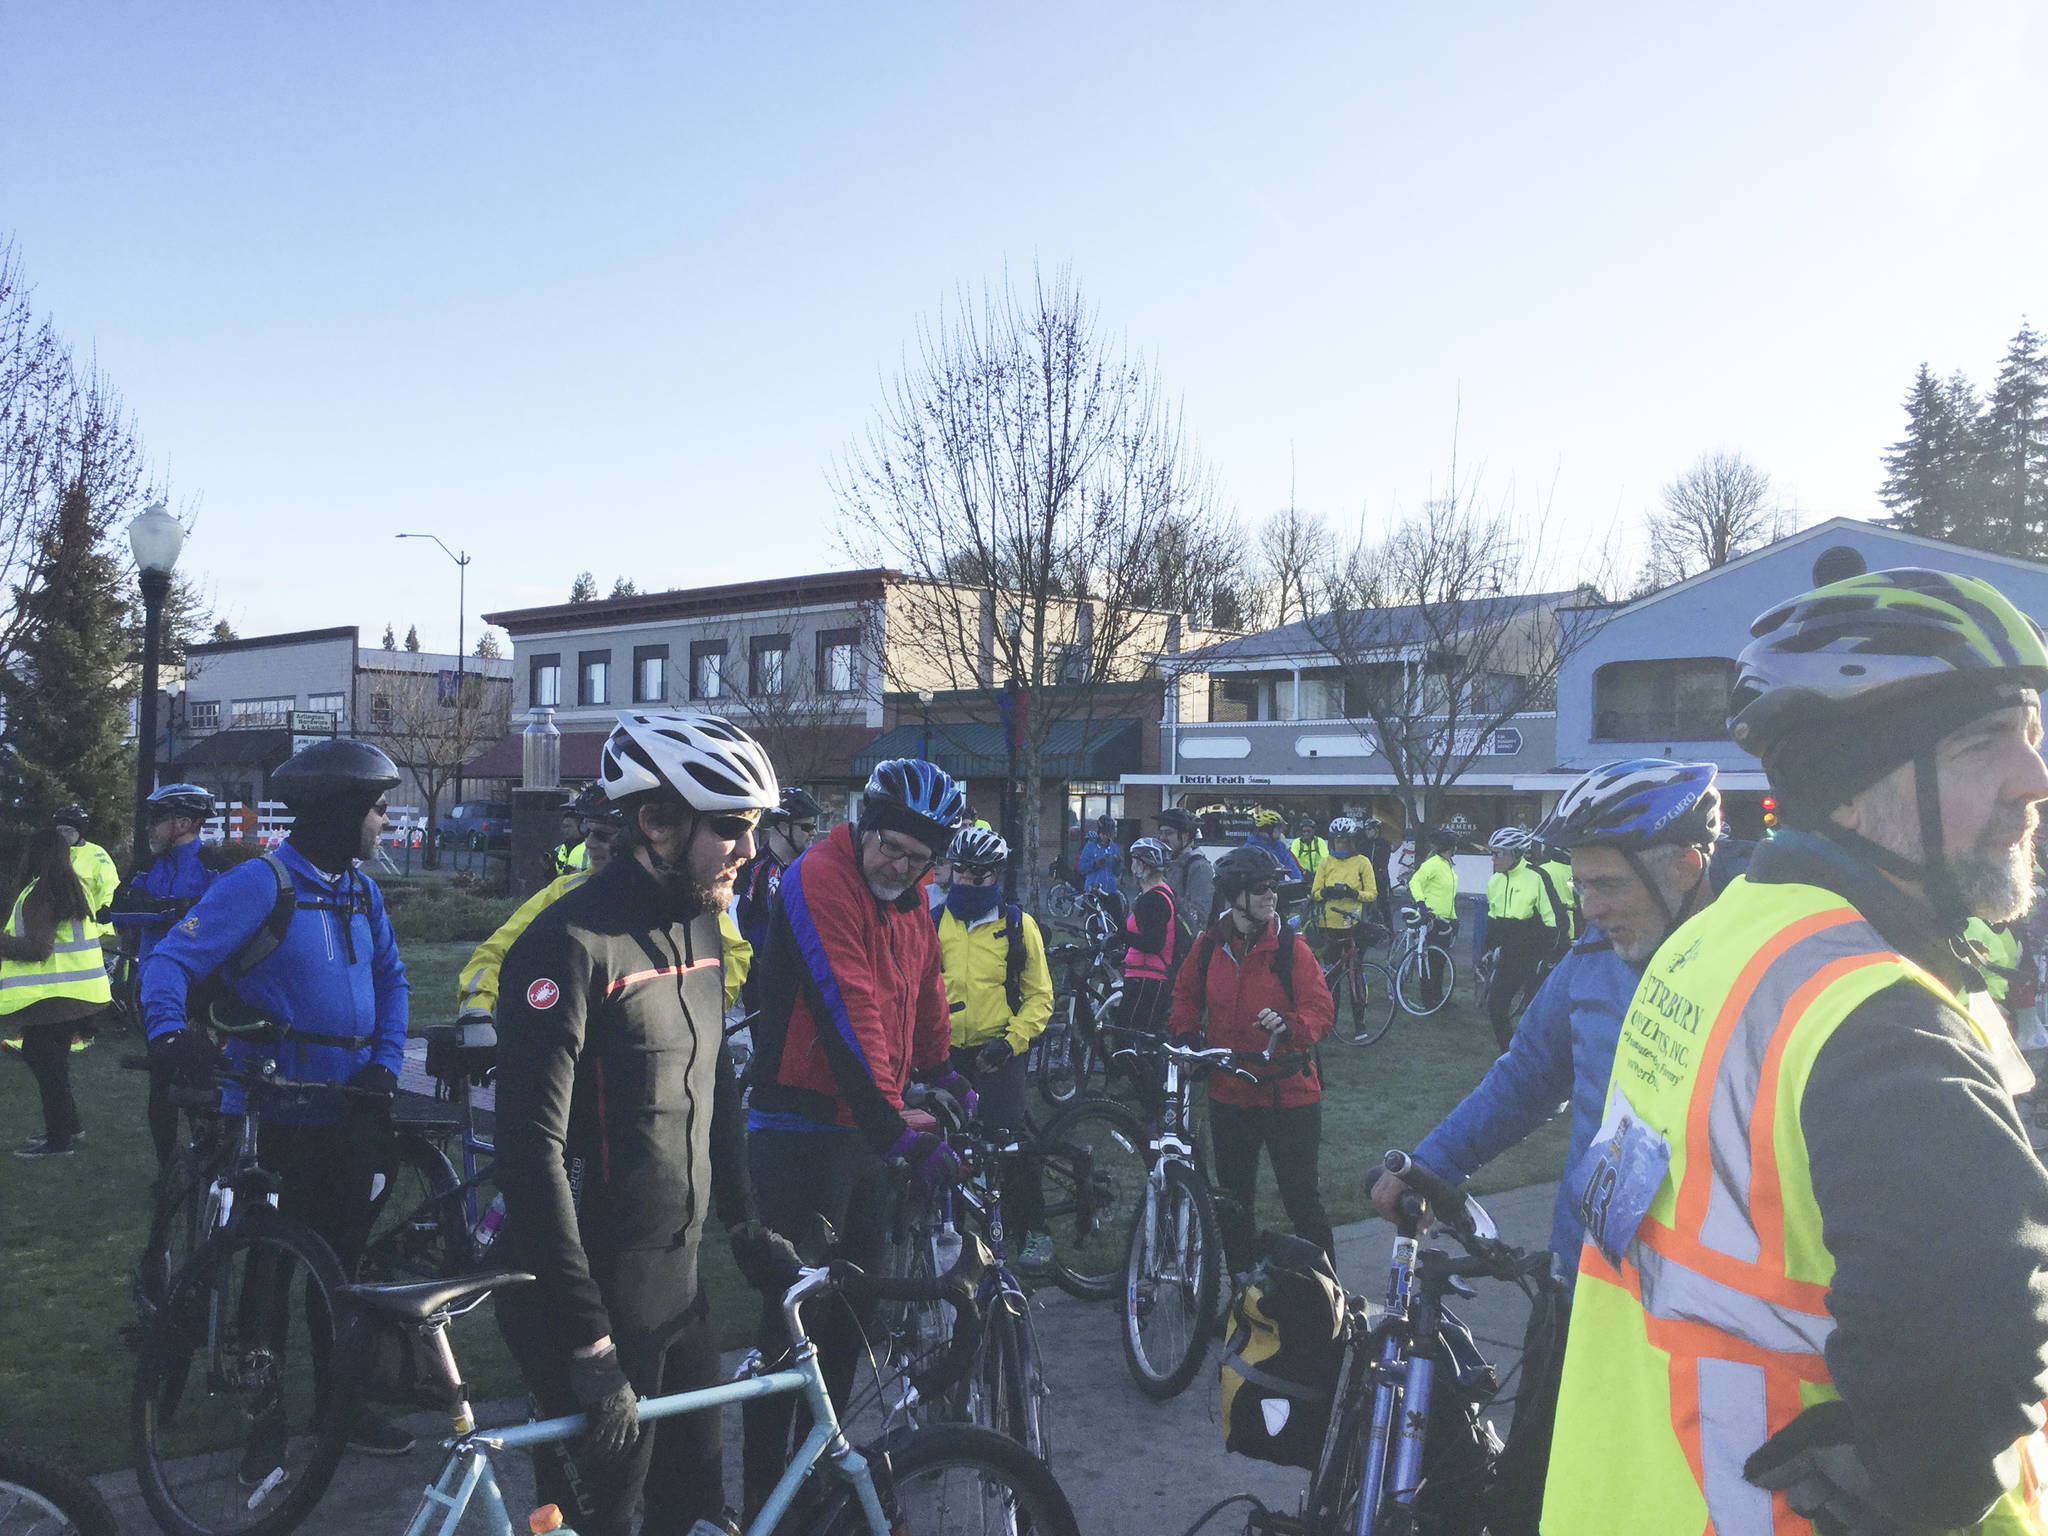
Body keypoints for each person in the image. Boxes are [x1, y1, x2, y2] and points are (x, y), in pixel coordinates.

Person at [1545, 568, 2048, 1535]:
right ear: (1861, 786)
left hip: (1633, 1484)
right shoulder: (1877, 1016)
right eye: (1987, 742)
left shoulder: (1722, 936)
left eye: (2030, 733)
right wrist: (1927, 1482)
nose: (2034, 776)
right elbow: (1980, 1319)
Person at [1372, 759, 1723, 1533]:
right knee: (1535, 1504)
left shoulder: (1755, 976)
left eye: (1608, 886)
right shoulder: (1591, 967)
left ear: (1685, 868)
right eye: (1580, 886)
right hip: (1584, 1295)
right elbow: (1525, 1079)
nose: (1590, 910)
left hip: (1705, 1327)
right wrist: (1432, 1166)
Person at [492, 710, 795, 1536]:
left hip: (679, 1284)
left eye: (758, 828)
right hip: (584, 1302)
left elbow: (715, 1085)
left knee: (695, 1515)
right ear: (656, 822)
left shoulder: (700, 920)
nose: (751, 850)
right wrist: (588, 1344)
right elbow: (529, 1154)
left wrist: (745, 1225)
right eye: (732, 827)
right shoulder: (568, 946)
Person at [141, 738, 415, 1466]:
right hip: (271, 1112)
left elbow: (393, 981)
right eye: (377, 808)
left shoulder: (361, 890)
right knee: (267, 1273)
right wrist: (170, 1034)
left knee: (344, 1271)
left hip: (346, 1109)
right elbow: (170, 957)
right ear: (339, 811)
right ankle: (262, 1423)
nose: (384, 821)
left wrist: (385, 1064)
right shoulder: (261, 884)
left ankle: (340, 1406)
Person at [742, 756, 971, 1516]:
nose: (900, 868)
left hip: (864, 1128)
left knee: (852, 1318)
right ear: (863, 827)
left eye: (919, 858)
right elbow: (850, 1003)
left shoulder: (910, 896)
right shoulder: (818, 876)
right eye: (890, 848)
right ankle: (762, 1496)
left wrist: (945, 1069)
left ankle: (817, 1486)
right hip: (799, 1126)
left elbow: (925, 983)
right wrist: (892, 1127)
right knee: (792, 1324)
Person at [1167, 844, 1335, 1268]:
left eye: (1274, 887)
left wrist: (1290, 1025)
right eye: (1261, 888)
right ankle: (1243, 1294)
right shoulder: (1208, 947)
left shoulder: (1290, 950)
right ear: (1235, 895)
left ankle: (1330, 1297)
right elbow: (1184, 995)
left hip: (1289, 1095)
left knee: (1302, 1202)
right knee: (1233, 1204)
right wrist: (1187, 1037)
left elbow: (1321, 1011)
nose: (1271, 895)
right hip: (1231, 1095)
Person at [934, 824, 1057, 1270]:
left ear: (996, 877)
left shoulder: (1016, 926)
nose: (968, 882)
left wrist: (1010, 1043)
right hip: (946, 1055)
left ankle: (1035, 1231)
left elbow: (1041, 996)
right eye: (962, 873)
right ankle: (956, 1241)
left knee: (1010, 1145)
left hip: (999, 1052)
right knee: (946, 1149)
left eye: (979, 876)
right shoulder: (933, 923)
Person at [109, 783, 223, 1166]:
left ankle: (209, 1156)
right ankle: (167, 1172)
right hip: (153, 983)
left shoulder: (212, 863)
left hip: (203, 985)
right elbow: (120, 913)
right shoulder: (146, 865)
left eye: (157, 819)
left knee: (203, 1073)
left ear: (184, 822)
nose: (149, 828)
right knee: (160, 1078)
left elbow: (220, 921)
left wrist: (163, 911)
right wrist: (176, 912)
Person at [3, 828, 109, 1159]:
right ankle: (67, 1127)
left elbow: (38, 948)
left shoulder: (40, 893)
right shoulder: (71, 888)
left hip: (55, 997)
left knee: (44, 1060)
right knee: (50, 1061)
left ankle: (59, 1139)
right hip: (78, 993)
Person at [1480, 827, 1560, 1051]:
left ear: (1516, 853)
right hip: (1508, 957)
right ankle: (1508, 1054)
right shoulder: (1494, 882)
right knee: (1495, 1007)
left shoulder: (1536, 877)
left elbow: (1553, 921)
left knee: (1535, 1014)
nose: (1493, 859)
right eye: (1491, 853)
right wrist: (1488, 949)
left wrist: (1549, 955)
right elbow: (1493, 920)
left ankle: (1543, 1058)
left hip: (1534, 956)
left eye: (1498, 853)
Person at [733, 786, 822, 981]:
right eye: (806, 827)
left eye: (814, 826)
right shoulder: (753, 868)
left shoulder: (812, 870)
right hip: (760, 979)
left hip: (804, 978)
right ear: (782, 827)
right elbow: (735, 921)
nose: (814, 832)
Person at [1307, 816, 1377, 961]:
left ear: (1352, 842)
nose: (1341, 845)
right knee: (1332, 969)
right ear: (1332, 842)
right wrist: (1327, 892)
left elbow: (1372, 894)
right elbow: (1315, 893)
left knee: (1355, 967)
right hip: (1328, 924)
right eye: (1338, 841)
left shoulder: (1362, 862)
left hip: (1353, 923)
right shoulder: (1325, 862)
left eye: (1345, 841)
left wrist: (1353, 893)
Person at [53, 803, 118, 940]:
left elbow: (110, 885)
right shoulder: (52, 855)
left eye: (68, 831)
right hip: (62, 931)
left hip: (97, 930)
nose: (63, 836)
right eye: (60, 831)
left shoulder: (96, 855)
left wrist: (107, 910)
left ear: (80, 832)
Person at [1154, 806, 1216, 927]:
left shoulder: (1199, 868)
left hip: (1184, 943)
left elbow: (1199, 917)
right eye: (1160, 833)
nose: (1162, 838)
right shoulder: (1166, 864)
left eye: (1168, 833)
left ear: (1185, 836)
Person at [1243, 808, 1304, 881]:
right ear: (1268, 828)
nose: (1281, 831)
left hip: (1279, 889)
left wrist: (1299, 883)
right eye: (1279, 828)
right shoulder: (1248, 849)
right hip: (1259, 890)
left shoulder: (1280, 847)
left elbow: (1293, 869)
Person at [1358, 815, 1396, 930]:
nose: (1367, 832)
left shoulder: (1384, 844)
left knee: (1384, 904)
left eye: (1369, 829)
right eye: (1366, 829)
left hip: (1380, 876)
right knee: (1362, 904)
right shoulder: (1363, 844)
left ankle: (1390, 930)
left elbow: (1383, 862)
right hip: (1365, 877)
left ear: (1377, 830)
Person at [1076, 814, 1122, 895]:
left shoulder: (1114, 847)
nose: (1105, 836)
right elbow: (1081, 867)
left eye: (1107, 834)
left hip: (1110, 890)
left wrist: (1118, 863)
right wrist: (1096, 863)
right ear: (1099, 832)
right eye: (1103, 833)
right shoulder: (1090, 846)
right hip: (1093, 890)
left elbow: (1117, 872)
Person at [548, 804, 586, 878]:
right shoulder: (559, 850)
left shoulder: (591, 847)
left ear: (581, 827)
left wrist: (581, 872)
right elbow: (555, 878)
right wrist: (548, 869)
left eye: (568, 826)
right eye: (564, 826)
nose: (565, 830)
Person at [1290, 816, 1328, 880]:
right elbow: (1293, 860)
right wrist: (1302, 871)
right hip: (1302, 875)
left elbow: (1325, 858)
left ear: (1313, 831)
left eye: (1308, 831)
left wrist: (1320, 872)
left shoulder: (1319, 841)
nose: (1306, 834)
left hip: (1318, 875)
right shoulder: (1296, 842)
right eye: (1304, 831)